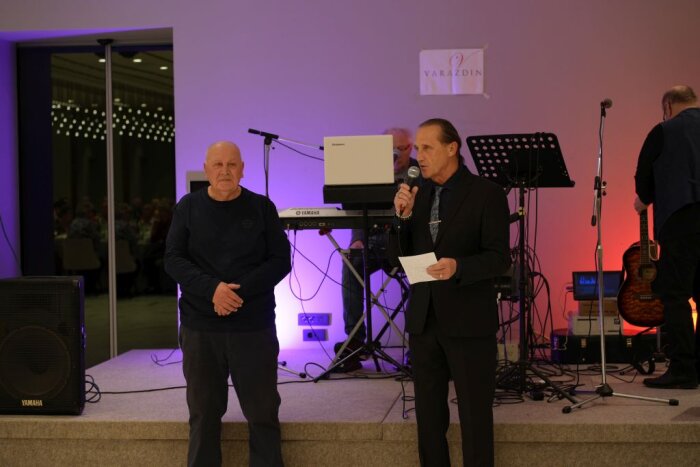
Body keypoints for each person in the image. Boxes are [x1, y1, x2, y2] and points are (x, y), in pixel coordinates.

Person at [390, 118, 510, 466]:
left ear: (452, 148)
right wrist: (401, 219)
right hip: (424, 320)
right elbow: (395, 259)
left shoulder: (486, 193)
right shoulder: (416, 192)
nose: (420, 157)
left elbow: (499, 258)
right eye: (419, 149)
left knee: (474, 416)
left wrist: (459, 267)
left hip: (468, 320)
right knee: (428, 420)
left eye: (428, 148)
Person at [164, 141, 291, 466]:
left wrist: (235, 294)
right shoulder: (187, 207)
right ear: (206, 170)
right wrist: (213, 291)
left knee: (262, 413)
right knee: (203, 414)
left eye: (231, 164)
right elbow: (173, 260)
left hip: (253, 327)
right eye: (218, 165)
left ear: (242, 170)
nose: (225, 171)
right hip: (200, 327)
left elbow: (280, 261)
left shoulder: (262, 208)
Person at [336, 127, 419, 371]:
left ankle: (418, 346)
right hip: (373, 240)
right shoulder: (368, 170)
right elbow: (357, 209)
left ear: (410, 148)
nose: (395, 154)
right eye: (389, 149)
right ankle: (355, 341)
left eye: (400, 149)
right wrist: (357, 239)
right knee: (351, 264)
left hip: (406, 243)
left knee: (422, 273)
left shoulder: (419, 173)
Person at [634, 85, 700, 389]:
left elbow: (643, 177)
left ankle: (684, 370)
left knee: (674, 295)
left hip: (681, 220)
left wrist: (643, 199)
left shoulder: (663, 131)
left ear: (668, 106)